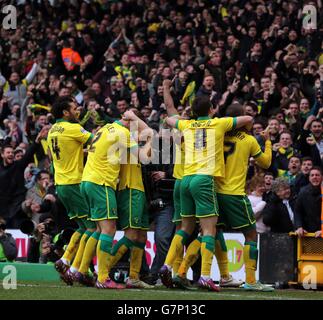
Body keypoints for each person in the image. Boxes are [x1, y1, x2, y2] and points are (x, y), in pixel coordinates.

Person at [160, 96, 253, 291]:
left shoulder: (187, 125)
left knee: (185, 229)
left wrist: (181, 119)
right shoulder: (218, 123)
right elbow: (247, 119)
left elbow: (169, 119)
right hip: (204, 180)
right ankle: (204, 276)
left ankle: (166, 265)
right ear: (211, 109)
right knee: (209, 230)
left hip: (185, 179)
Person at [80, 109, 148, 289]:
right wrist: (148, 136)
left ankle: (81, 270)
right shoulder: (123, 133)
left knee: (99, 228)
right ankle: (102, 276)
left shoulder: (104, 129)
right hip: (102, 183)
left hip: (88, 180)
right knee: (109, 229)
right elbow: (144, 155)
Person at [48, 96, 97, 283]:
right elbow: (96, 141)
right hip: (75, 183)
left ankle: (66, 260)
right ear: (65, 112)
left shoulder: (53, 129)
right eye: (74, 108)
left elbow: (61, 155)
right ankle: (74, 267)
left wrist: (82, 152)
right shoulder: (74, 128)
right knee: (94, 228)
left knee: (83, 227)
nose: (78, 111)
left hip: (61, 185)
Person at [294, 167, 323, 238]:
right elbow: (297, 211)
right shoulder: (303, 192)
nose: (314, 177)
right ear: (309, 178)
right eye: (312, 175)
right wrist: (299, 226)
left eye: (317, 175)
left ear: (322, 177)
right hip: (308, 235)